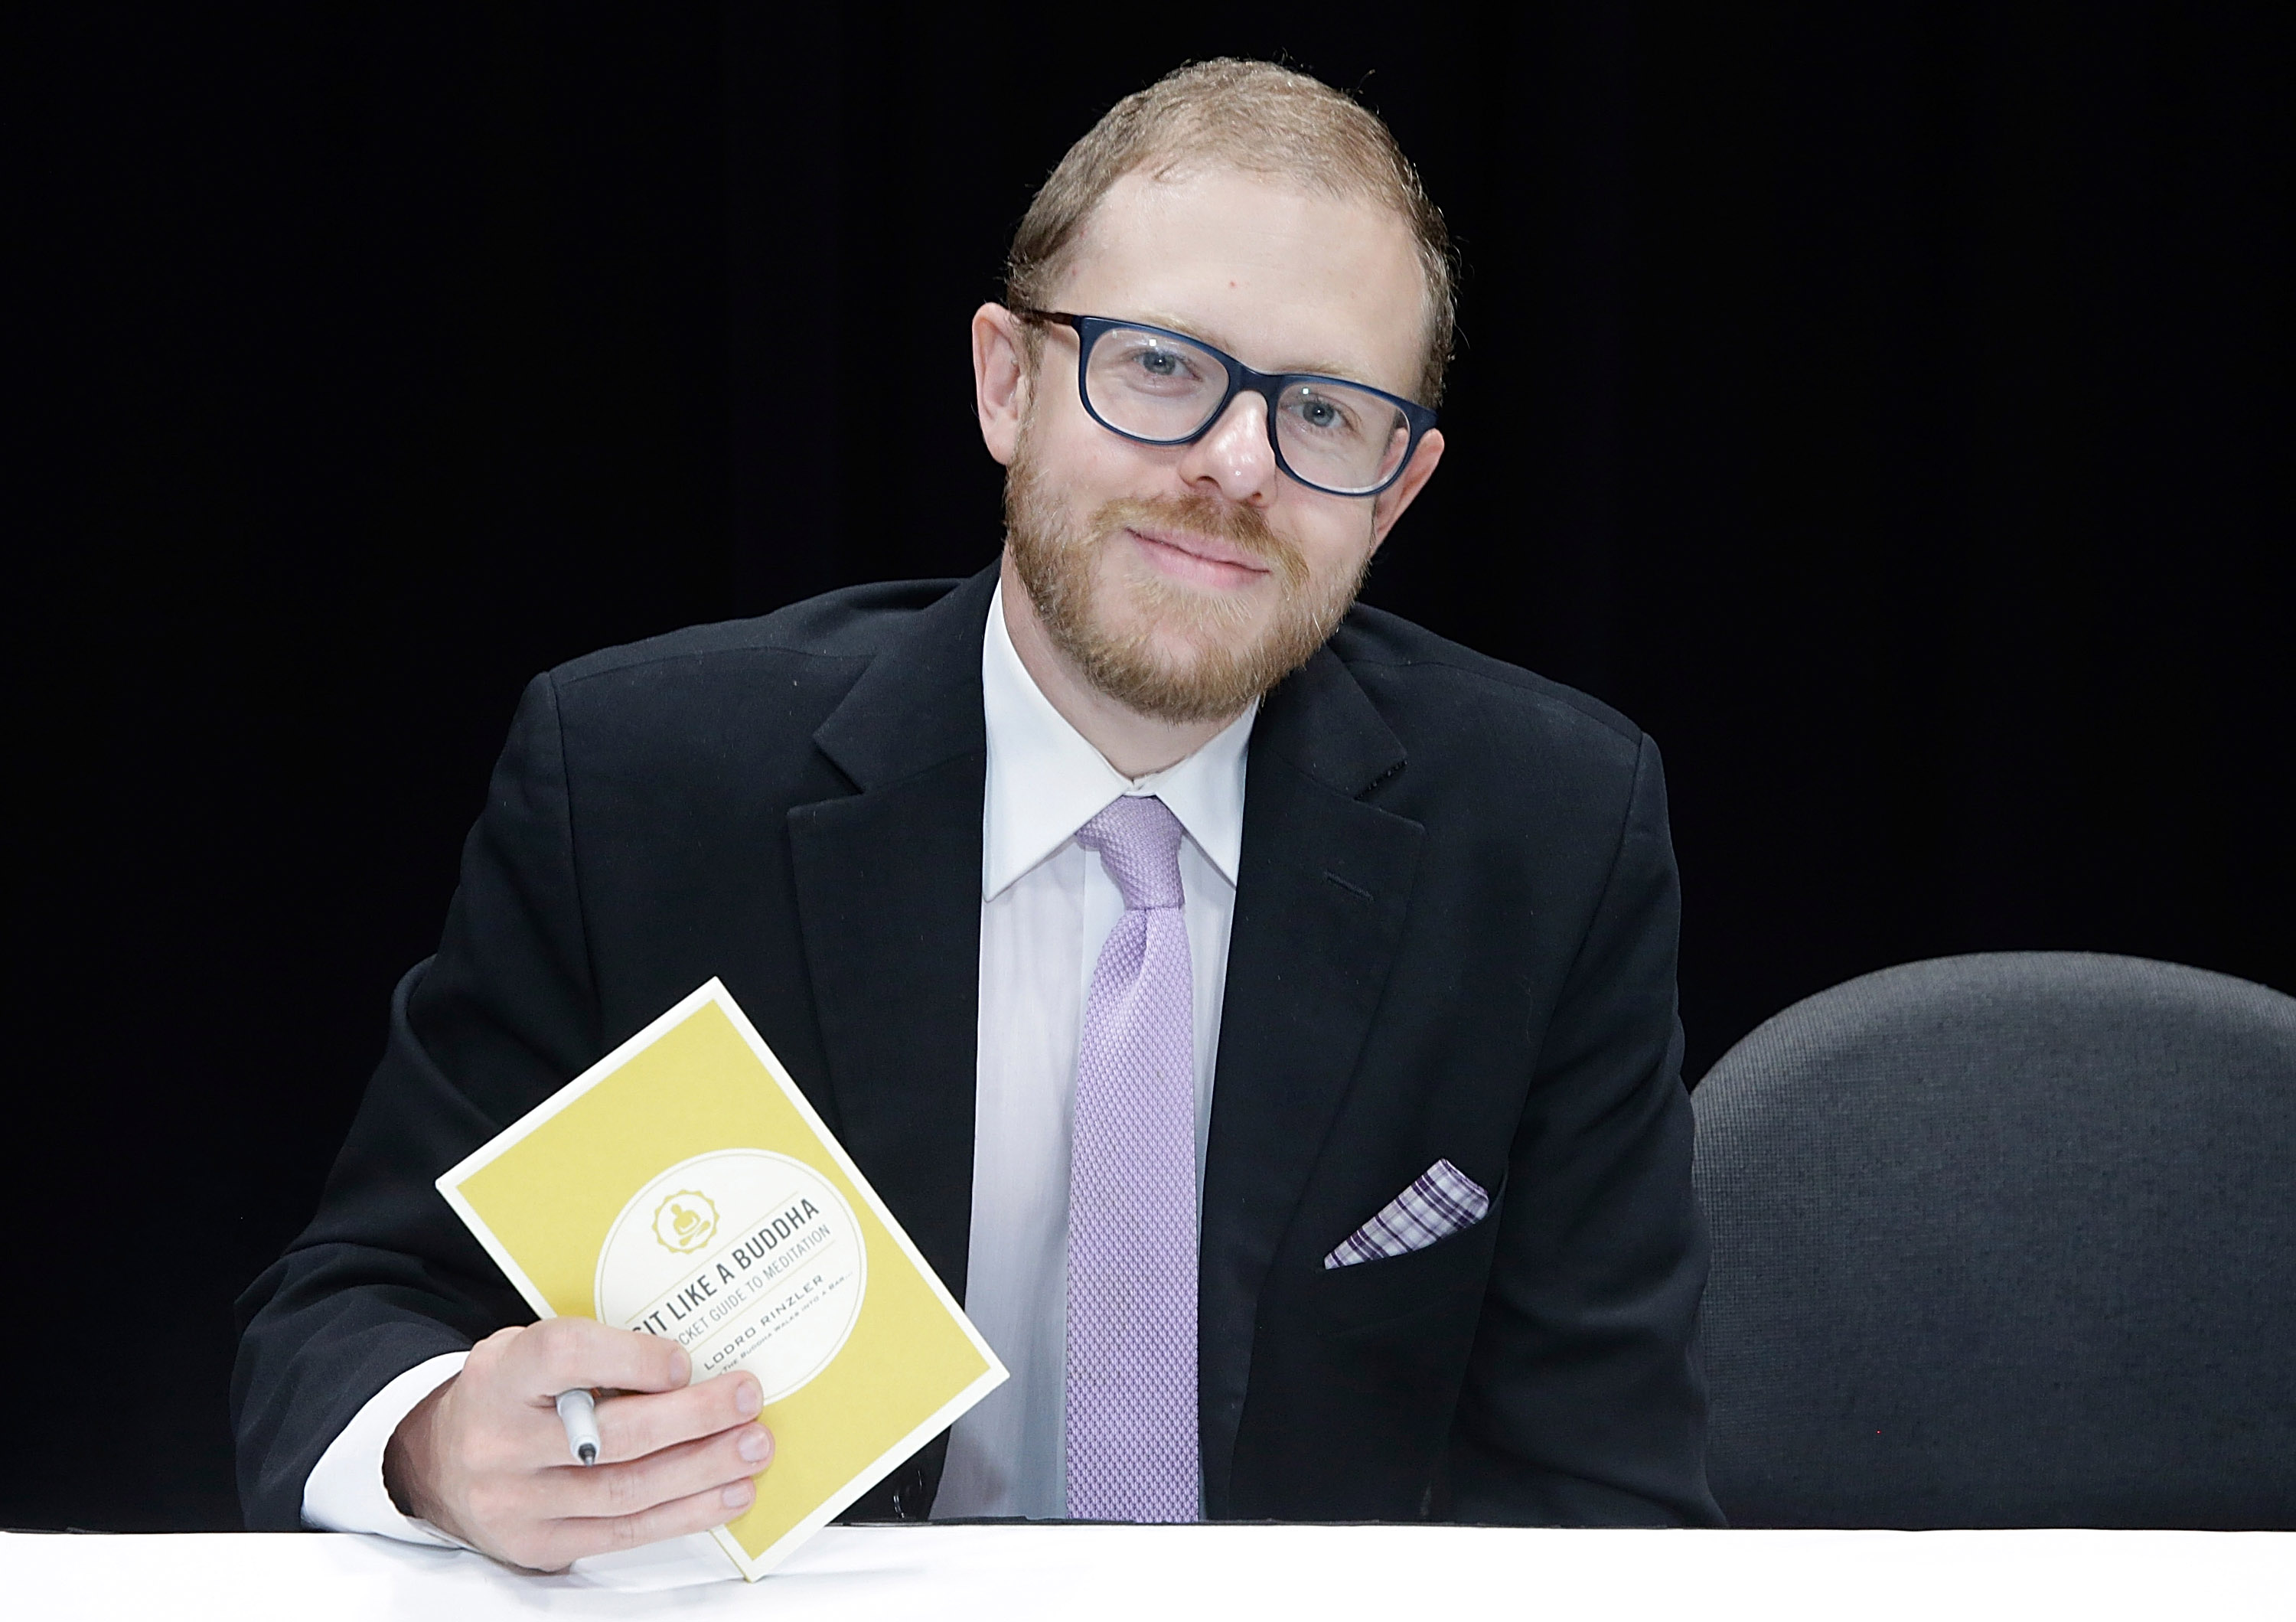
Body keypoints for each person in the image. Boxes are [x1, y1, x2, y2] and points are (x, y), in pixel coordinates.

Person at [233, 57, 1722, 1573]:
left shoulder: (1549, 835)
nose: (1234, 463)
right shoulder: (639, 787)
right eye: (1159, 366)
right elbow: (346, 1310)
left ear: (1396, 491)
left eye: (1327, 413)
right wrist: (436, 1441)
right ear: (1007, 383)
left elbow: (1602, 1497)